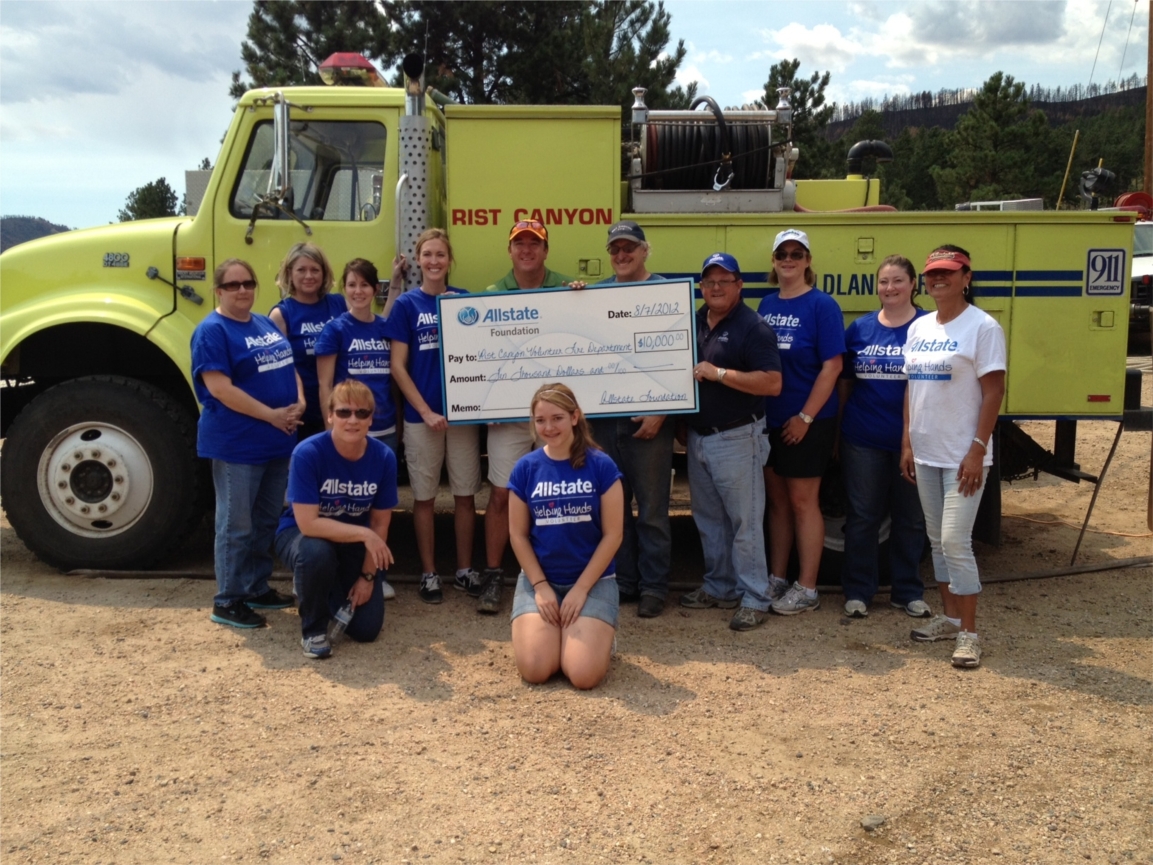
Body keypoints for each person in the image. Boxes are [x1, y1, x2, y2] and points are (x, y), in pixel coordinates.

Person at [902, 245, 1006, 669]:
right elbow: (912, 389)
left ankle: (970, 633)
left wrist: (977, 448)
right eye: (931, 274)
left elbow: (994, 391)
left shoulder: (983, 327)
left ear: (966, 277)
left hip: (964, 454)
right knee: (936, 543)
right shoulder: (919, 327)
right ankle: (947, 619)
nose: (937, 280)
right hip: (926, 452)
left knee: (954, 541)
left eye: (947, 273)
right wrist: (908, 443)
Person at [191, 259, 305, 629]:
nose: (242, 290)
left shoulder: (262, 323)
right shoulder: (212, 330)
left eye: (248, 283)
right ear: (218, 291)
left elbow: (289, 366)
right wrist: (271, 415)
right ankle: (228, 599)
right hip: (237, 445)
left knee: (265, 520)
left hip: (276, 442)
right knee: (235, 525)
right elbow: (220, 389)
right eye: (233, 284)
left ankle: (256, 587)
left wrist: (299, 402)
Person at [476, 220, 575, 615]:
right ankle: (494, 574)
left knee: (559, 493)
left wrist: (584, 300)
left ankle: (557, 574)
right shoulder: (490, 297)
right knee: (502, 494)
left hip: (555, 414)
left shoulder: (570, 290)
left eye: (535, 244)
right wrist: (485, 406)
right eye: (520, 244)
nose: (527, 250)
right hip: (509, 416)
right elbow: (478, 360)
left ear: (546, 251)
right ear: (510, 250)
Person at [680, 252, 783, 631]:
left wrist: (720, 373)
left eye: (725, 280)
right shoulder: (695, 321)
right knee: (709, 520)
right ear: (702, 287)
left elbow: (772, 382)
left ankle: (755, 596)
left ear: (740, 285)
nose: (716, 287)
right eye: (710, 282)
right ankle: (720, 586)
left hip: (738, 436)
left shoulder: (753, 327)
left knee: (745, 522)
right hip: (700, 437)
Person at [382, 228, 481, 604]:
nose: (434, 261)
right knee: (423, 499)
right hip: (423, 419)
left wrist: (473, 407)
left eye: (440, 255)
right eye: (427, 255)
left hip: (462, 420)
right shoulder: (408, 305)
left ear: (449, 260)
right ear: (418, 261)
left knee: (466, 496)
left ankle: (464, 570)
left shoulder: (465, 302)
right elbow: (397, 366)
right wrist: (424, 411)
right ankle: (428, 573)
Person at [508, 383, 624, 689]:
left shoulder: (602, 465)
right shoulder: (525, 468)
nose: (548, 427)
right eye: (540, 420)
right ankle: (556, 637)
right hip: (541, 582)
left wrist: (581, 589)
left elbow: (613, 535)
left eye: (557, 418)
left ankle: (598, 639)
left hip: (593, 582)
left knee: (583, 675)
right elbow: (518, 536)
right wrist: (541, 586)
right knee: (535, 670)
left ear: (575, 417)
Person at [274, 380, 398, 659]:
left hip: (350, 540)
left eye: (361, 413)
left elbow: (380, 523)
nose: (352, 420)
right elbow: (309, 524)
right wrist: (366, 536)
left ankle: (317, 585)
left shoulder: (384, 457)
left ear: (371, 419)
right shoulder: (308, 453)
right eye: (343, 412)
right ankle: (313, 629)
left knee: (367, 630)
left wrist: (367, 577)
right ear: (330, 416)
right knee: (317, 553)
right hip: (301, 535)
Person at [588, 221, 674, 618]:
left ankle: (655, 586)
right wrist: (572, 300)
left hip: (649, 423)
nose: (621, 256)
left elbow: (678, 360)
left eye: (629, 248)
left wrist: (661, 411)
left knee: (653, 510)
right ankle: (624, 582)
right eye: (615, 250)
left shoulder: (665, 294)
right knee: (615, 509)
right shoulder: (595, 295)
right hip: (605, 423)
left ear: (644, 251)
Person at [757, 229, 846, 616]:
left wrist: (806, 417)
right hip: (770, 420)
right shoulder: (766, 302)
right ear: (774, 261)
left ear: (808, 260)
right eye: (782, 254)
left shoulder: (822, 305)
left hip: (807, 421)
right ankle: (777, 577)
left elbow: (833, 366)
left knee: (803, 501)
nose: (788, 259)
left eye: (796, 253)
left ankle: (807, 587)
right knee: (776, 503)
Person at [838, 255, 930, 618]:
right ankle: (859, 591)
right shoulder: (859, 329)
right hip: (863, 438)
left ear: (912, 285)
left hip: (916, 440)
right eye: (883, 282)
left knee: (911, 519)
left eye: (897, 281)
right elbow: (845, 383)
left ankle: (907, 591)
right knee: (862, 517)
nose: (889, 288)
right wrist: (838, 431)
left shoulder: (929, 327)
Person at [315, 258, 400, 600]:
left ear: (374, 290)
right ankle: (330, 570)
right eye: (352, 285)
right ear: (344, 289)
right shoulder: (335, 330)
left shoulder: (384, 327)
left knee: (376, 506)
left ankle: (373, 570)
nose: (358, 291)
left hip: (384, 429)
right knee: (342, 502)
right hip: (347, 431)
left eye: (365, 285)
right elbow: (324, 385)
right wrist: (329, 428)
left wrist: (394, 279)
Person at [269, 243, 347, 438]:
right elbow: (281, 367)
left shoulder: (339, 303)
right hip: (302, 413)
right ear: (289, 273)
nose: (309, 276)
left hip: (342, 408)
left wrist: (396, 286)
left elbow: (371, 329)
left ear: (324, 272)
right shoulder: (281, 314)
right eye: (301, 270)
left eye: (315, 270)